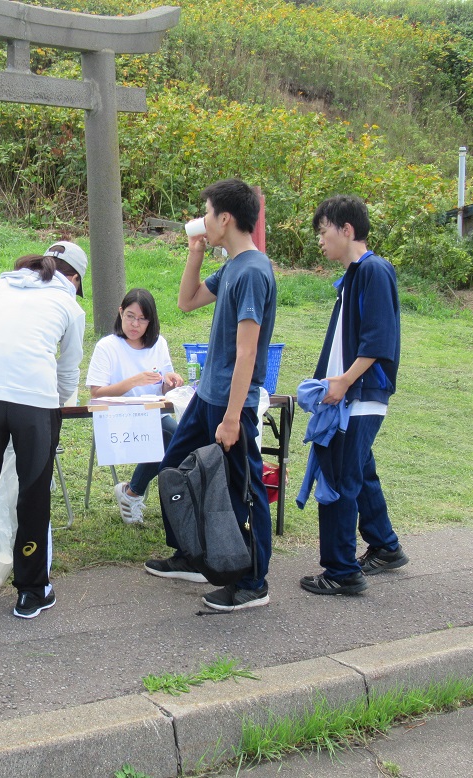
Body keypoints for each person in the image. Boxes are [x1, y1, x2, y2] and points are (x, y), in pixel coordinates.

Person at [143, 178, 277, 614]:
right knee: (175, 469)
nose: (201, 220)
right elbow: (186, 301)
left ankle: (253, 582)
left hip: (230, 403)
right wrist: (195, 254)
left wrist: (234, 417)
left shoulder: (254, 271)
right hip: (208, 396)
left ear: (225, 218)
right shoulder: (233, 266)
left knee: (243, 489)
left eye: (206, 212)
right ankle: (193, 554)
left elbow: (248, 350)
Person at [0, 241, 86, 619]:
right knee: (34, 495)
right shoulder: (70, 305)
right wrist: (50, 406)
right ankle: (31, 590)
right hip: (35, 403)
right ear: (72, 278)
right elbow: (69, 370)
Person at [299, 194, 407, 596]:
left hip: (358, 396)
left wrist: (343, 381)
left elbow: (379, 340)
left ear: (347, 230)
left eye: (324, 231)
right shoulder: (353, 276)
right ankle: (384, 546)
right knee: (360, 473)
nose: (320, 240)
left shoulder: (373, 270)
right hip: (350, 396)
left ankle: (341, 571)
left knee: (339, 479)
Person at [85, 287, 184, 524]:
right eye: (130, 316)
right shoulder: (107, 346)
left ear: (151, 321)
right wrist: (134, 380)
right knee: (172, 436)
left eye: (142, 319)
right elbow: (96, 393)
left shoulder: (158, 344)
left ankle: (132, 492)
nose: (135, 324)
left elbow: (163, 386)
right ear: (120, 313)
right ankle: (134, 492)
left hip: (153, 414)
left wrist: (171, 382)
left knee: (177, 435)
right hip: (117, 416)